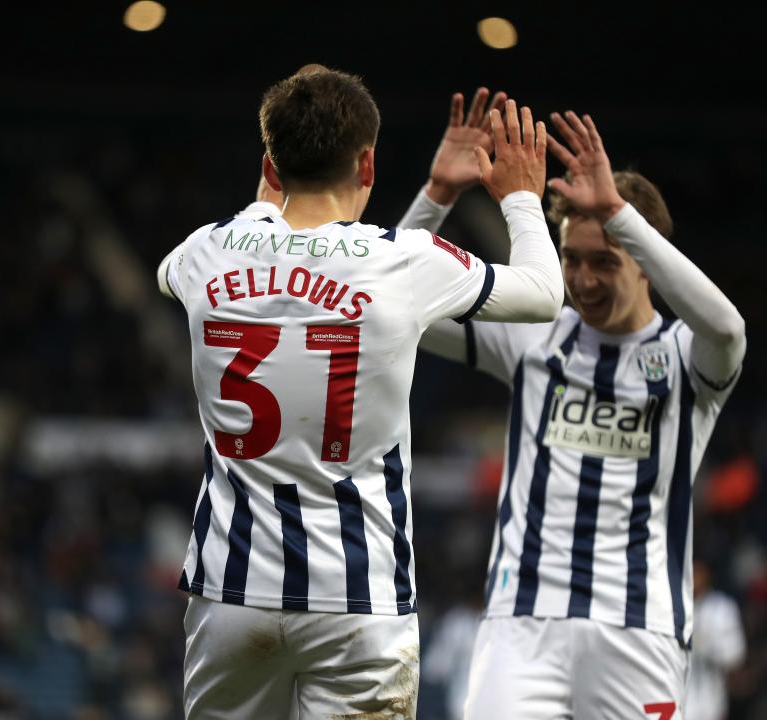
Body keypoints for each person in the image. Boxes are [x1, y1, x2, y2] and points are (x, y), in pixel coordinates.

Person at [156, 67, 563, 719]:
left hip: (229, 594)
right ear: (367, 164)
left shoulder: (205, 251)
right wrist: (518, 196)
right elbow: (543, 295)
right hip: (358, 597)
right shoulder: (404, 261)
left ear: (270, 164)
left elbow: (173, 272)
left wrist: (266, 207)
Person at [409, 110, 747, 719]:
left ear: (646, 260)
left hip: (638, 628)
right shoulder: (535, 335)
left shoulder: (685, 358)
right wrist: (436, 196)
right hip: (522, 623)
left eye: (605, 262)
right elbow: (394, 307)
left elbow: (728, 327)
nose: (583, 281)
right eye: (572, 259)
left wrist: (620, 214)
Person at [686, 557, 746, 720]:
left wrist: (705, 645)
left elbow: (735, 655)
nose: (693, 576)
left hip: (709, 701)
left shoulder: (721, 607)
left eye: (697, 571)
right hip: (679, 700)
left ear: (707, 574)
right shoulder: (678, 605)